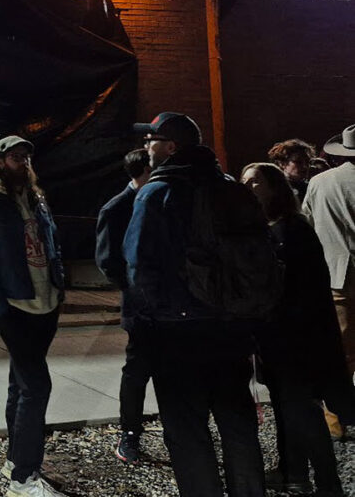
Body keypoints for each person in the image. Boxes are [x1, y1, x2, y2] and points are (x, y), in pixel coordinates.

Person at [123, 112, 266, 497]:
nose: (146, 146)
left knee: (187, 430)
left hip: (178, 332)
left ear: (171, 147)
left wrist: (153, 319)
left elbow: (138, 265)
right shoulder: (233, 189)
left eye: (152, 139)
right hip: (232, 328)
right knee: (237, 425)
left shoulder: (157, 193)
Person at [0, 135, 67, 497]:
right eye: (13, 157)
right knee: (38, 386)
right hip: (16, 308)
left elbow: (52, 244)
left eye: (25, 157)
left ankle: (13, 459)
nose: (21, 163)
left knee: (20, 384)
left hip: (46, 304)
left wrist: (59, 288)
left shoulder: (36, 199)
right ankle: (24, 479)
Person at [241, 162, 351, 497]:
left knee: (301, 409)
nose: (247, 187)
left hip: (294, 339)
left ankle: (327, 482)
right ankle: (294, 472)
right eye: (244, 181)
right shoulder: (272, 229)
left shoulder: (292, 232)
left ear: (274, 187)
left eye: (255, 182)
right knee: (288, 406)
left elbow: (295, 292)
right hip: (280, 337)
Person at [94, 148, 152, 464]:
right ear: (144, 171)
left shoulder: (157, 200)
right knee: (137, 373)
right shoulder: (116, 208)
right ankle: (130, 435)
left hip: (162, 305)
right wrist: (134, 286)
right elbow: (107, 260)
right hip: (141, 306)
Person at [302, 123, 355, 440]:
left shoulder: (320, 183)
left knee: (341, 352)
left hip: (335, 275)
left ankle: (335, 419)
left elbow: (306, 223)